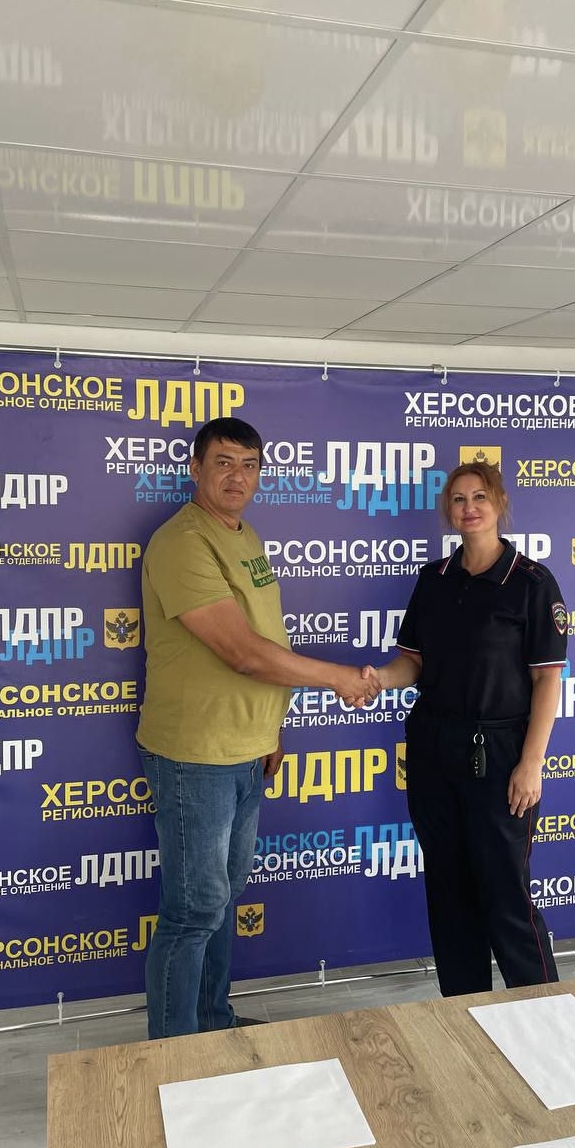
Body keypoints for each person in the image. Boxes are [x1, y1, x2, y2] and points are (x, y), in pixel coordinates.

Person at [136, 417, 379, 1039]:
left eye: (249, 465)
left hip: (247, 749)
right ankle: (174, 1049)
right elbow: (241, 652)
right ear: (196, 468)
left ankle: (213, 1025)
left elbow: (266, 641)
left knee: (220, 900)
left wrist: (272, 729)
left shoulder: (244, 535)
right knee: (193, 911)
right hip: (197, 754)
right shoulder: (181, 541)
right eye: (223, 462)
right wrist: (338, 679)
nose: (236, 477)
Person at [363, 461, 567, 996]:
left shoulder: (531, 582)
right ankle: (464, 1012)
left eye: (480, 496)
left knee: (506, 895)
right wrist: (378, 679)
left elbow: (547, 679)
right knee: (449, 894)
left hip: (500, 755)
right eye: (458, 499)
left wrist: (531, 763)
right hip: (434, 751)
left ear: (500, 504)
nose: (469, 507)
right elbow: (413, 663)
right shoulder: (433, 579)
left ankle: (544, 1011)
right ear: (448, 511)